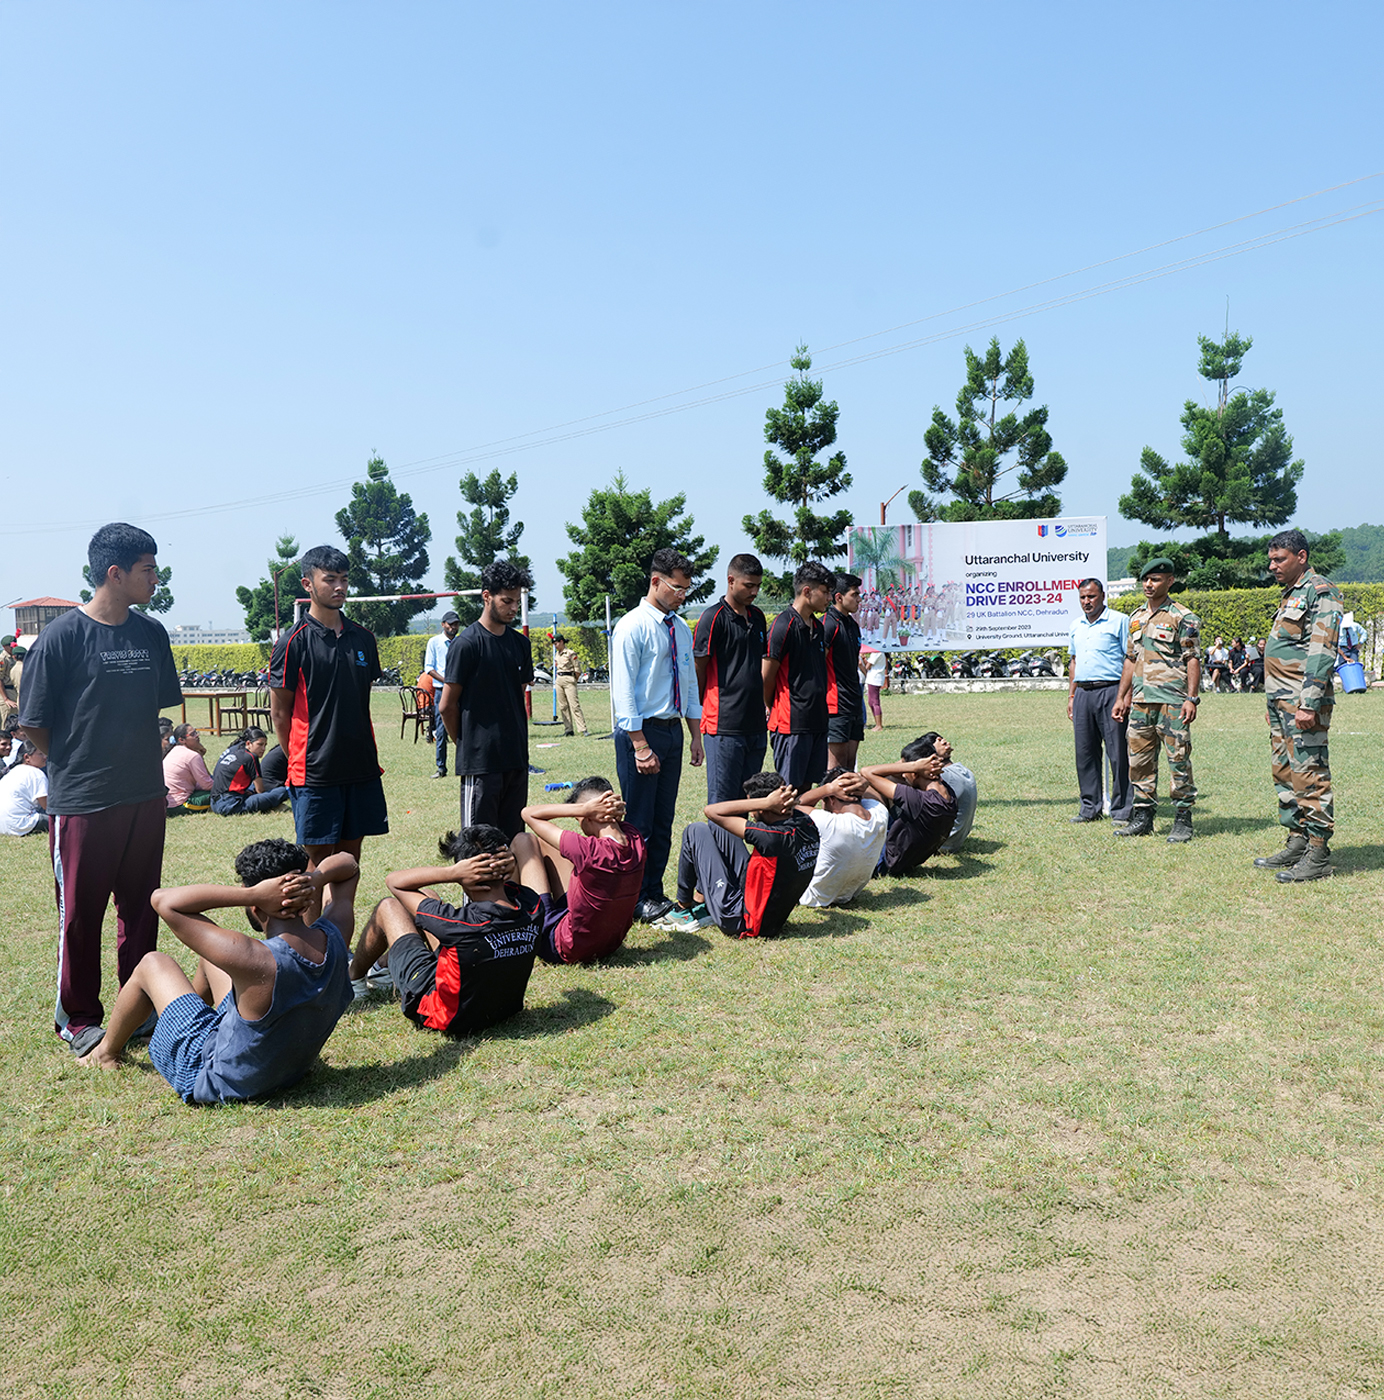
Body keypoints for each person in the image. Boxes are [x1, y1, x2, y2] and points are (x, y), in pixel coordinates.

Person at [19, 521, 183, 1056]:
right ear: (115, 574)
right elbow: (35, 725)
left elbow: (156, 708)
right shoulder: (61, 638)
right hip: (83, 800)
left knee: (141, 908)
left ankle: (136, 1010)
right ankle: (80, 1018)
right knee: (81, 916)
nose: (155, 578)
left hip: (143, 794)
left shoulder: (151, 633)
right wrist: (82, 761)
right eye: (147, 569)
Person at [77, 841, 358, 1103]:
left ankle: (105, 1054)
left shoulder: (254, 958)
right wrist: (316, 878)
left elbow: (162, 900)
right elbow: (349, 865)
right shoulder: (335, 935)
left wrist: (251, 893)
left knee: (153, 963)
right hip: (287, 1070)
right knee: (212, 961)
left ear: (256, 906)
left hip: (217, 1079)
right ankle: (191, 1021)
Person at [348, 824, 542, 1037]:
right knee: (428, 896)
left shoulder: (459, 924)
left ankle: (353, 979)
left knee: (388, 907)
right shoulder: (532, 905)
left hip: (447, 1015)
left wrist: (452, 873)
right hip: (502, 1010)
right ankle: (383, 967)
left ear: (467, 876)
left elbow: (394, 882)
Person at [269, 544, 388, 891]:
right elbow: (280, 713)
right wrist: (298, 761)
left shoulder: (364, 639)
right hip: (314, 771)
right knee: (317, 865)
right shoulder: (293, 642)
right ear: (308, 584)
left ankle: (339, 945)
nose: (340, 587)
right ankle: (308, 946)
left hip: (361, 766)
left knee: (349, 861)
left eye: (345, 579)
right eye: (330, 579)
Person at [610, 547, 704, 923]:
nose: (682, 595)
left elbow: (690, 686)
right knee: (639, 822)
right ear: (655, 581)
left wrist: (695, 735)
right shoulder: (632, 626)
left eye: (686, 589)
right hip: (642, 733)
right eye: (676, 587)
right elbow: (624, 691)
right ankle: (634, 898)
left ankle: (653, 891)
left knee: (663, 820)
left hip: (672, 732)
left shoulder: (679, 627)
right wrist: (639, 745)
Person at [1253, 529, 1344, 882]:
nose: (1272, 565)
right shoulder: (1291, 593)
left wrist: (1307, 704)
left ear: (1301, 557)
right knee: (1285, 773)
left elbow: (1321, 651)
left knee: (1309, 773)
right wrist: (1273, 699)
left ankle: (1318, 852)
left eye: (1280, 559)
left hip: (1303, 703)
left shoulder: (1321, 591)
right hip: (1282, 702)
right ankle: (1297, 839)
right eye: (1271, 559)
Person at [438, 560, 535, 839]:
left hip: (516, 759)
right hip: (481, 764)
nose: (513, 608)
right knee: (478, 846)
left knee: (514, 842)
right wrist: (468, 745)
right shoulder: (466, 644)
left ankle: (511, 887)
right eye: (506, 601)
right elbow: (447, 706)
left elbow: (515, 697)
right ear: (486, 596)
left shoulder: (520, 644)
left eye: (517, 601)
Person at [663, 771, 821, 937]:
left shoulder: (772, 838)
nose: (752, 814)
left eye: (754, 808)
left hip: (741, 919)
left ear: (768, 807)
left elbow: (711, 811)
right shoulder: (806, 823)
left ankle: (682, 909)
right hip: (765, 907)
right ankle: (703, 901)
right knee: (718, 827)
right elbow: (718, 819)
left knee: (695, 830)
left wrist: (764, 802)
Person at [1111, 557, 1200, 842]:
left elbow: (1192, 659)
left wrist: (1192, 698)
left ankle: (1183, 819)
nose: (1149, 584)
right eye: (1146, 579)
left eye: (1156, 579)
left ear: (1170, 581)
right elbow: (1130, 659)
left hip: (1172, 701)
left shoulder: (1183, 617)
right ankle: (1143, 817)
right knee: (1139, 761)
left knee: (1178, 760)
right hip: (1140, 701)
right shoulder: (1135, 617)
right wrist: (1121, 696)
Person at [512, 776, 646, 964]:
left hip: (564, 947)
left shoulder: (588, 850)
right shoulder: (635, 838)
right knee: (543, 841)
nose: (580, 827)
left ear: (588, 815)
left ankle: (512, 924)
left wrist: (582, 809)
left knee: (523, 840)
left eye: (578, 820)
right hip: (608, 944)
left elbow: (528, 814)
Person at [694, 553, 769, 805]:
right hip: (723, 726)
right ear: (730, 580)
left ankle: (738, 845)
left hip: (756, 725)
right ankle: (720, 846)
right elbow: (699, 669)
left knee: (748, 799)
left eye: (758, 585)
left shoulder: (758, 617)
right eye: (749, 585)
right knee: (722, 801)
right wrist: (704, 707)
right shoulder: (712, 618)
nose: (754, 591)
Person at [763, 560, 833, 792]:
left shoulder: (819, 627)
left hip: (818, 721)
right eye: (824, 592)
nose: (829, 598)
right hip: (790, 723)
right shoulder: (783, 625)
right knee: (788, 791)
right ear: (806, 591)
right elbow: (766, 676)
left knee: (809, 789)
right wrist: (770, 705)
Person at [1067, 578, 1132, 823]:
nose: (1087, 602)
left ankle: (1123, 809)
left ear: (1103, 596)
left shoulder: (1119, 621)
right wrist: (1072, 695)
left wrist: (1125, 696)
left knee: (1118, 753)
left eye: (1092, 597)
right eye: (1083, 597)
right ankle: (1089, 808)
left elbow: (1131, 659)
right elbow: (1073, 662)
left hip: (1111, 691)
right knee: (1085, 753)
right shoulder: (1076, 626)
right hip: (1083, 693)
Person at [796, 767, 888, 908]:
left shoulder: (829, 823)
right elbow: (872, 797)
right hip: (849, 894)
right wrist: (863, 782)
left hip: (813, 897)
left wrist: (827, 789)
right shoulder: (880, 813)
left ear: (831, 800)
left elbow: (793, 806)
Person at [860, 740, 954, 876]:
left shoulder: (918, 800)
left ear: (919, 771)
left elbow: (867, 772)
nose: (903, 774)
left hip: (885, 861)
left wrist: (914, 766)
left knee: (860, 785)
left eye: (908, 770)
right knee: (878, 784)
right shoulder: (948, 793)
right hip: (908, 855)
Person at [823, 571, 865, 770]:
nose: (859, 599)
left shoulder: (853, 625)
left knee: (849, 766)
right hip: (835, 706)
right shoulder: (828, 624)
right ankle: (831, 802)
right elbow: (818, 665)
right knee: (835, 769)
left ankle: (850, 802)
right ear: (838, 597)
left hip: (854, 702)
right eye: (854, 594)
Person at [211, 725, 290, 815]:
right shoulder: (251, 757)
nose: (263, 749)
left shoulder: (232, 749)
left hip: (215, 803)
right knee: (284, 790)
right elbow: (260, 790)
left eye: (265, 745)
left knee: (253, 787)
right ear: (248, 743)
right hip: (231, 805)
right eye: (260, 745)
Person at [422, 610, 461, 776]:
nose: (453, 627)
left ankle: (463, 765)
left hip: (460, 690)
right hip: (441, 690)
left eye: (456, 624)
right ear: (443, 624)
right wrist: (447, 681)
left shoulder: (462, 642)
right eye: (450, 624)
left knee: (463, 727)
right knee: (441, 727)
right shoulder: (434, 642)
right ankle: (441, 767)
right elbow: (429, 668)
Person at [0, 741, 49, 836]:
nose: (45, 757)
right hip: (20, 825)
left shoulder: (12, 772)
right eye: (40, 754)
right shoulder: (36, 773)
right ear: (26, 757)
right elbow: (47, 806)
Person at [163, 723, 214, 813]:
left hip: (166, 803)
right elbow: (207, 785)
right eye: (193, 734)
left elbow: (200, 783)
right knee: (221, 795)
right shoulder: (192, 756)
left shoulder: (174, 750)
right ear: (181, 740)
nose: (197, 736)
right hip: (178, 804)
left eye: (196, 732)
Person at [551, 634, 589, 738]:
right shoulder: (557, 655)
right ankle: (568, 729)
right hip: (559, 679)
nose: (555, 645)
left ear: (562, 642)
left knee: (574, 705)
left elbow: (577, 670)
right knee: (563, 706)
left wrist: (573, 680)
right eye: (554, 644)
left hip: (569, 678)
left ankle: (582, 729)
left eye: (557, 643)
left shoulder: (570, 653)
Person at [862, 646, 888, 732]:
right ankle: (877, 723)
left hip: (875, 679)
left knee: (875, 702)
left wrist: (864, 659)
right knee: (871, 701)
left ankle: (879, 725)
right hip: (872, 678)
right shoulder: (878, 652)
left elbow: (868, 666)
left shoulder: (877, 652)